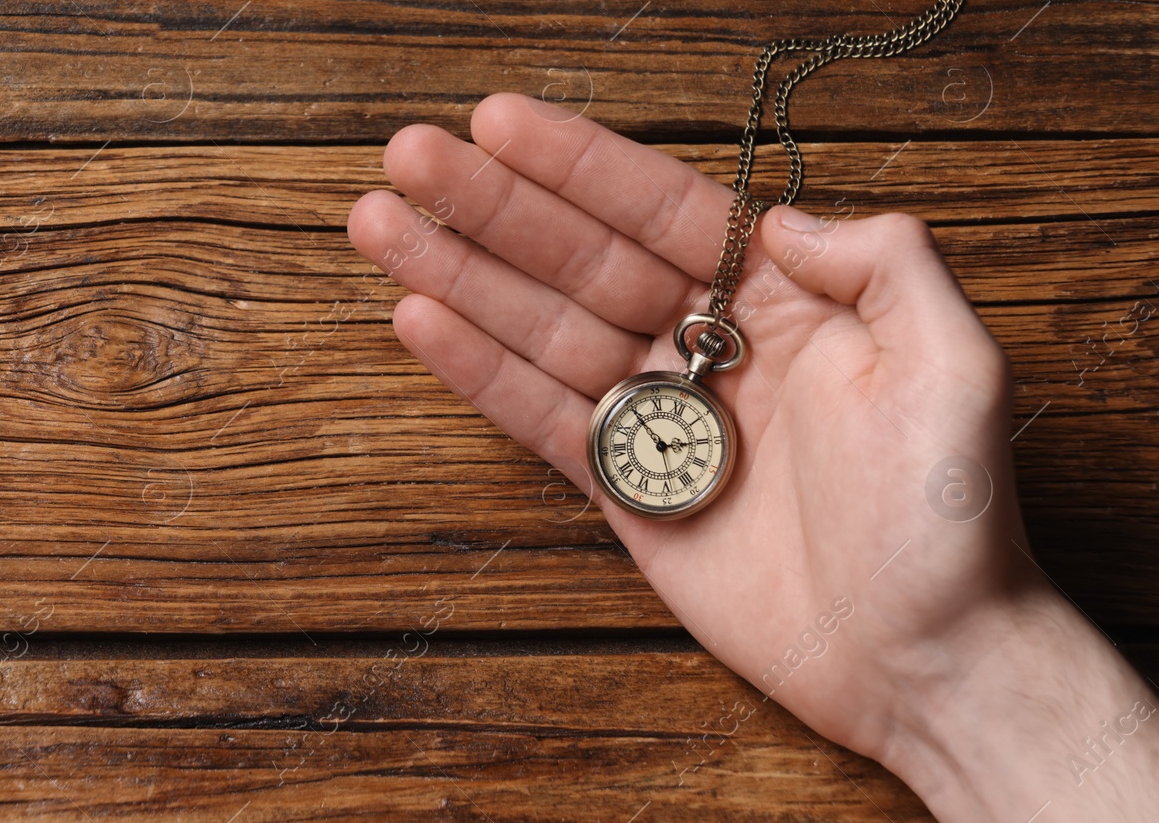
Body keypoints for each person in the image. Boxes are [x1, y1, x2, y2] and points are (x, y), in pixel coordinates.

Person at [345, 92, 1159, 822]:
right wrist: (960, 671)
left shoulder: (697, 421)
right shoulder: (669, 410)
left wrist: (954, 650)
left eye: (671, 440)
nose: (666, 442)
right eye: (664, 438)